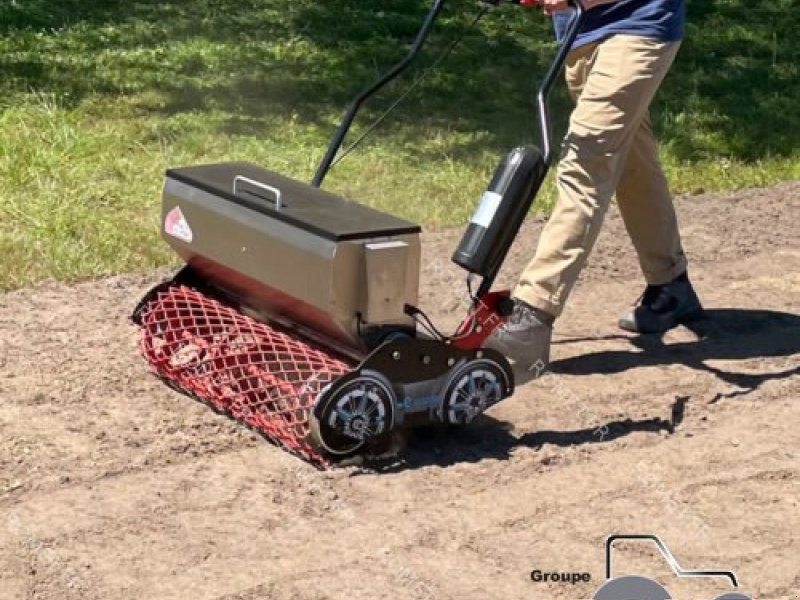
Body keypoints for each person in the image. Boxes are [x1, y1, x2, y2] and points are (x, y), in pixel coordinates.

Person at [487, 0, 702, 376]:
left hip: (638, 26)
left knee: (584, 163)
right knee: (635, 167)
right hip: (581, 33)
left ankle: (532, 313)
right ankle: (671, 285)